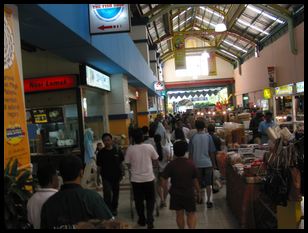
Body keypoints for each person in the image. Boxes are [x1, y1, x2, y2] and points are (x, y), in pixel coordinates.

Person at [40, 155, 113, 229]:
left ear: (60, 174)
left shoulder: (49, 203)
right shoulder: (92, 198)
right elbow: (111, 224)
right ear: (81, 173)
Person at [161, 140, 201, 229]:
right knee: (191, 214)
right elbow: (195, 180)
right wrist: (198, 192)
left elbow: (163, 179)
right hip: (189, 193)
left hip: (175, 193)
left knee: (179, 214)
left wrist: (166, 191)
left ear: (174, 151)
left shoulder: (171, 164)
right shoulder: (191, 164)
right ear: (186, 151)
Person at [124, 128, 159, 229]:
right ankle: (150, 219)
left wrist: (133, 167)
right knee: (150, 199)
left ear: (133, 138)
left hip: (136, 179)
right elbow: (156, 160)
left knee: (138, 200)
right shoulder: (149, 147)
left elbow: (127, 163)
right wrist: (152, 166)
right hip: (149, 178)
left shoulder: (130, 148)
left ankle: (142, 219)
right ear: (143, 137)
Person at [189, 119, 216, 208]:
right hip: (207, 163)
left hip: (197, 164)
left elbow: (191, 153)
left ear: (196, 127)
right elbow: (211, 152)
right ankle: (209, 200)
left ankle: (199, 198)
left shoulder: (193, 138)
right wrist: (213, 164)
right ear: (204, 127)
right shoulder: (208, 137)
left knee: (198, 183)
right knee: (209, 183)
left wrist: (190, 164)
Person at [96, 133, 124, 216]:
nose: (106, 142)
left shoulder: (117, 151)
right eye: (105, 141)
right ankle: (108, 209)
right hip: (105, 177)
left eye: (108, 140)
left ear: (111, 140)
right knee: (107, 193)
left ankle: (114, 208)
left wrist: (123, 173)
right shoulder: (101, 153)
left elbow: (121, 164)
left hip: (116, 176)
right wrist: (97, 177)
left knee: (116, 193)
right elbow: (99, 166)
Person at [27, 161, 59, 229]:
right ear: (52, 178)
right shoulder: (59, 198)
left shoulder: (31, 200)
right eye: (57, 175)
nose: (58, 179)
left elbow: (30, 221)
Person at [153, 134, 171, 208]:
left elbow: (154, 161)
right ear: (161, 140)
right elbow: (169, 158)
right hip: (166, 169)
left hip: (158, 170)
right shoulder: (165, 148)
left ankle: (162, 199)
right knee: (166, 186)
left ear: (154, 140)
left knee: (158, 185)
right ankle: (164, 200)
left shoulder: (154, 149)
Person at [207, 124, 222, 193]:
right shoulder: (217, 138)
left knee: (209, 173)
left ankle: (209, 185)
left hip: (208, 157)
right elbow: (219, 148)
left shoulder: (206, 138)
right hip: (216, 157)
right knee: (215, 173)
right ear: (214, 130)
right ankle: (215, 186)